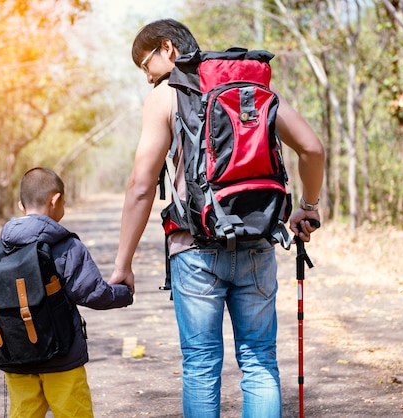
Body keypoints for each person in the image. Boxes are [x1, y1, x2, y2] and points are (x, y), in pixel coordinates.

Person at [109, 19, 325, 418]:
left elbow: (141, 186)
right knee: (260, 362)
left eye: (145, 65)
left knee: (201, 366)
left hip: (194, 251)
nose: (146, 78)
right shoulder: (255, 88)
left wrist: (123, 263)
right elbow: (311, 149)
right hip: (258, 243)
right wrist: (308, 206)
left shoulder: (165, 96)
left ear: (167, 49)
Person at [1, 167, 133, 418]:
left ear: (21, 206)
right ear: (56, 200)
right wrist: (124, 293)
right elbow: (93, 293)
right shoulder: (66, 246)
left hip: (16, 356)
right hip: (61, 355)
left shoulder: (2, 248)